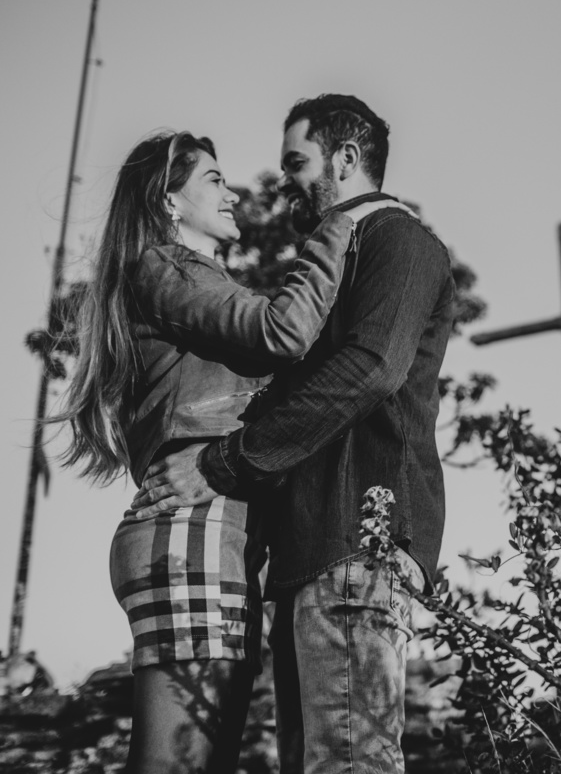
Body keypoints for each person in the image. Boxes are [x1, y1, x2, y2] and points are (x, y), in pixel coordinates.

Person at [131, 95, 457, 773]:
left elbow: (370, 369)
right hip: (310, 554)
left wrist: (221, 464)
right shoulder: (335, 256)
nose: (284, 182)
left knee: (349, 761)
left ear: (345, 158)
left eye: (296, 163)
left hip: (356, 539)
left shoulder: (397, 239)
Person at [54, 131, 393, 772]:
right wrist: (340, 226)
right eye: (213, 179)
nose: (231, 192)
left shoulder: (190, 279)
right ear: (168, 199)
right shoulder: (166, 266)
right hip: (196, 528)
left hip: (211, 531)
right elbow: (281, 331)